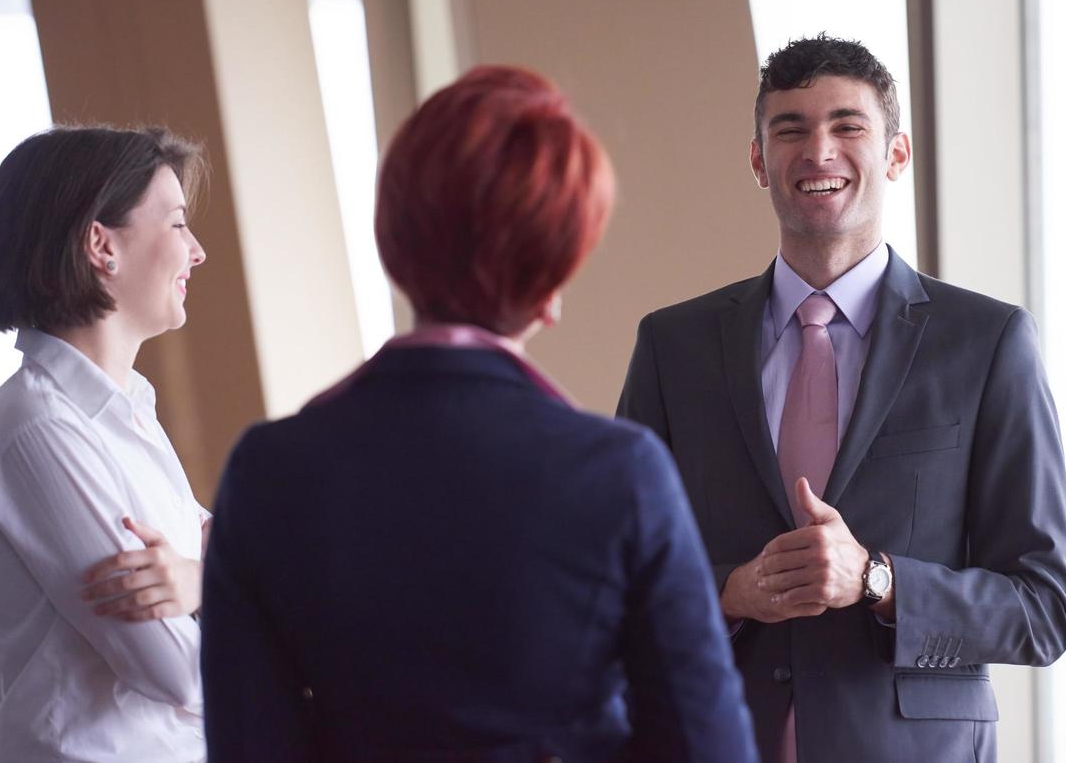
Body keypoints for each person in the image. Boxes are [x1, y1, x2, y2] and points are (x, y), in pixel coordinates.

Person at [201, 66, 757, 762]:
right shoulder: (618, 472)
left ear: (392, 241)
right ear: (551, 284)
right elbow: (706, 746)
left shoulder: (269, 468)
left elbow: (248, 745)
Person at [618, 34, 1066, 762]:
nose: (817, 150)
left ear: (895, 154)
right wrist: (734, 592)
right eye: (789, 129)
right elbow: (617, 587)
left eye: (846, 126)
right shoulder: (673, 347)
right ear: (758, 161)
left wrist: (876, 578)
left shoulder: (988, 343)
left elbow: (1042, 611)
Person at [0, 126, 211, 761]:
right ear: (102, 245)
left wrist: (202, 578)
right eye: (178, 225)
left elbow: (249, 549)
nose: (197, 252)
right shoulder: (37, 430)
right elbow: (176, 670)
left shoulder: (124, 415)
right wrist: (217, 581)